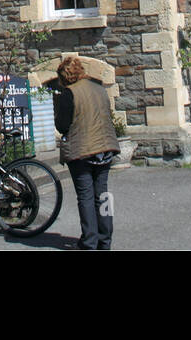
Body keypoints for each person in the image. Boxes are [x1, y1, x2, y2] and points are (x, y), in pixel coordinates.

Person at [52, 56, 120, 250]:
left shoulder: (69, 93)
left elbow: (63, 125)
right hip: (105, 147)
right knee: (103, 195)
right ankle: (105, 240)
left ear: (64, 76)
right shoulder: (99, 88)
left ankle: (89, 241)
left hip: (82, 151)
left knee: (86, 197)